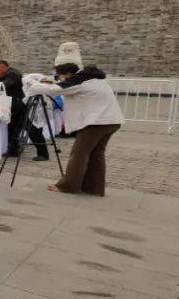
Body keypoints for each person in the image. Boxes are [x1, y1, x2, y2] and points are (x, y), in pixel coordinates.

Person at [29, 42, 124, 196]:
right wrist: (57, 82)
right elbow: (66, 86)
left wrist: (31, 82)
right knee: (96, 154)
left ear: (67, 73)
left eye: (60, 75)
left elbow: (53, 90)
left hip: (97, 122)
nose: (60, 78)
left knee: (79, 153)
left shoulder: (78, 80)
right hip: (111, 120)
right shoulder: (91, 78)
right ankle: (94, 188)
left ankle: (68, 186)